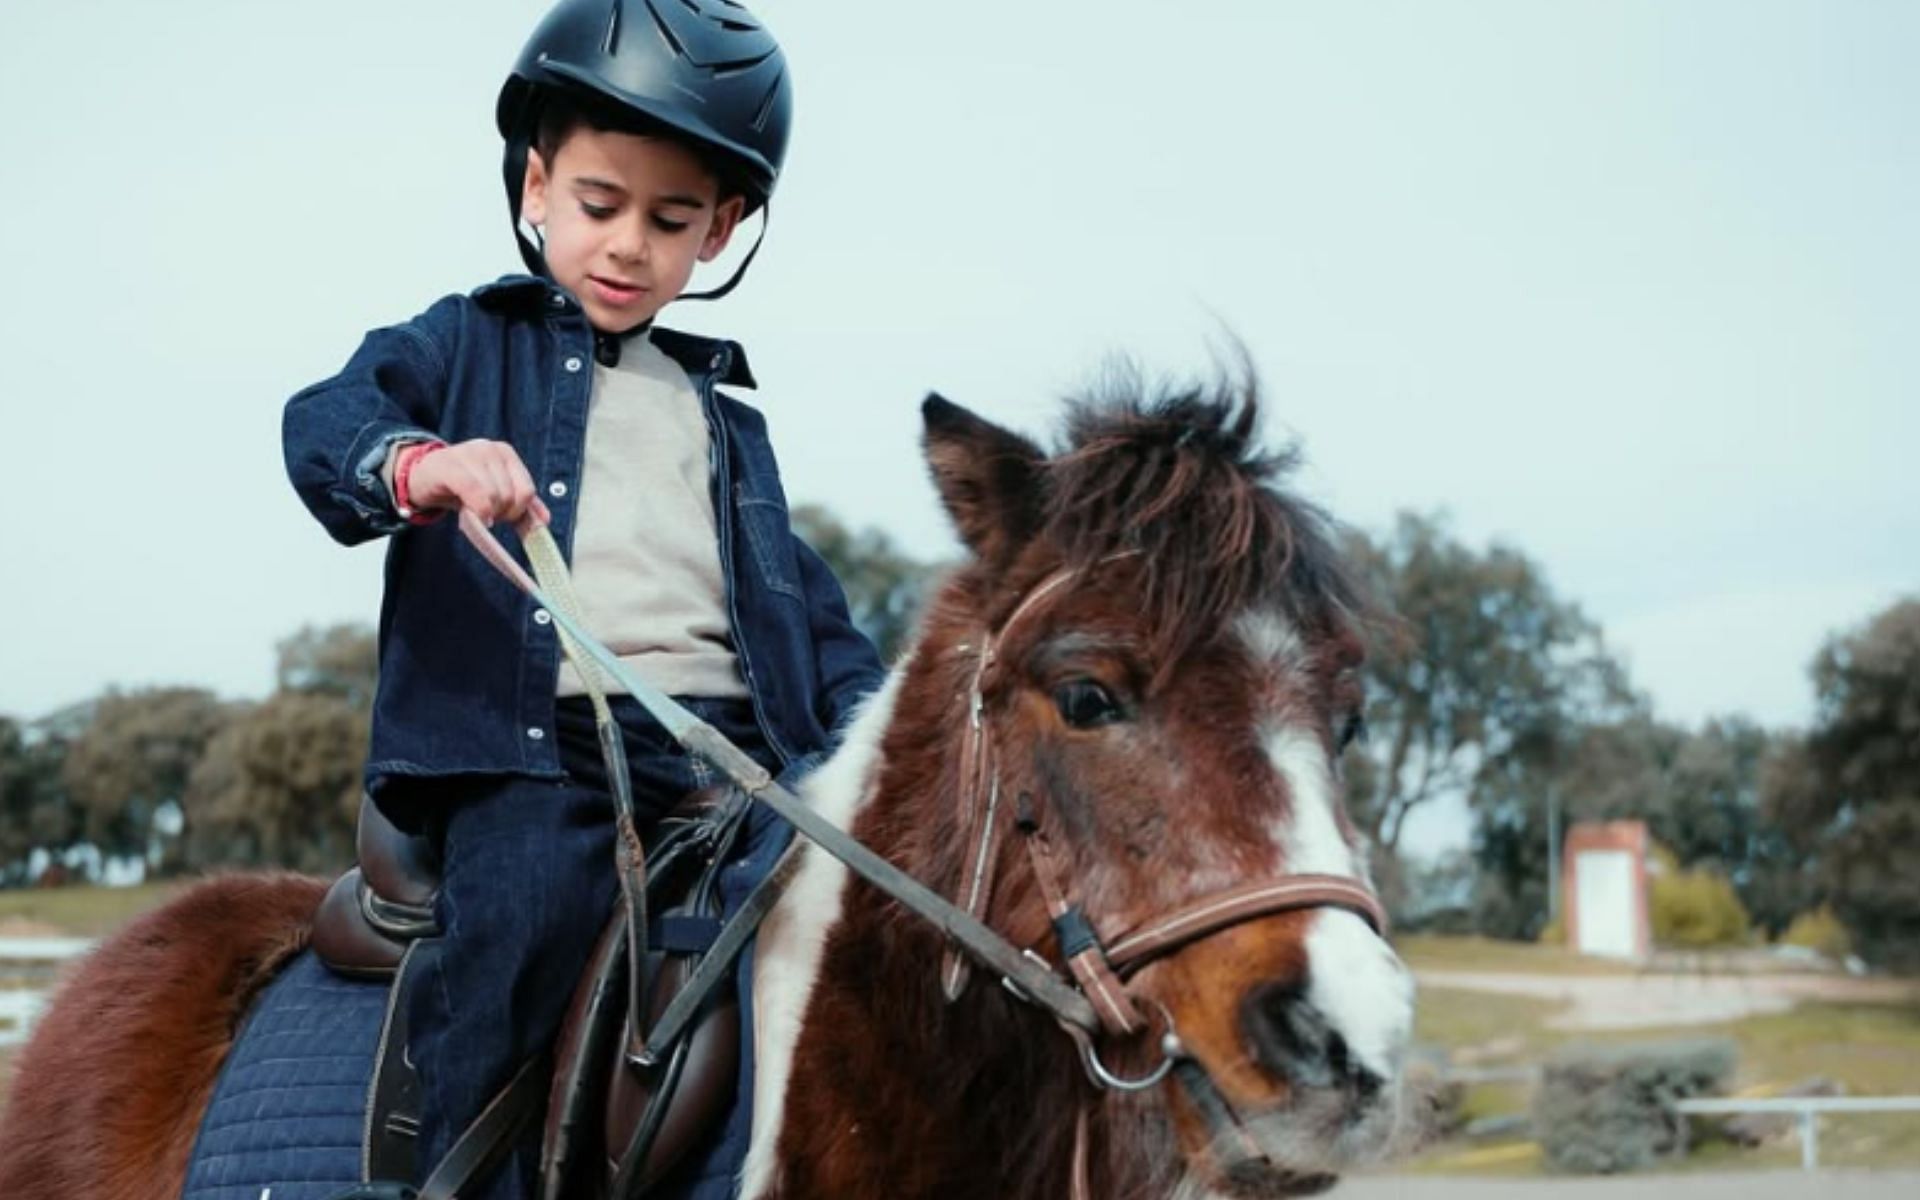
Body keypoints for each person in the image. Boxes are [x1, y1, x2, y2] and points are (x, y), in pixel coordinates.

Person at [280, 2, 885, 1196]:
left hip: (732, 758)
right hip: (535, 751)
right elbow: (324, 421)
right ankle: (454, 1178)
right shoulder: (467, 344)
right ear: (539, 187)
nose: (627, 246)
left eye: (670, 222)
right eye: (600, 205)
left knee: (854, 919)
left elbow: (807, 618)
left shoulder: (723, 420)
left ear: (721, 232)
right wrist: (421, 465)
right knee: (526, 914)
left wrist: (889, 732)